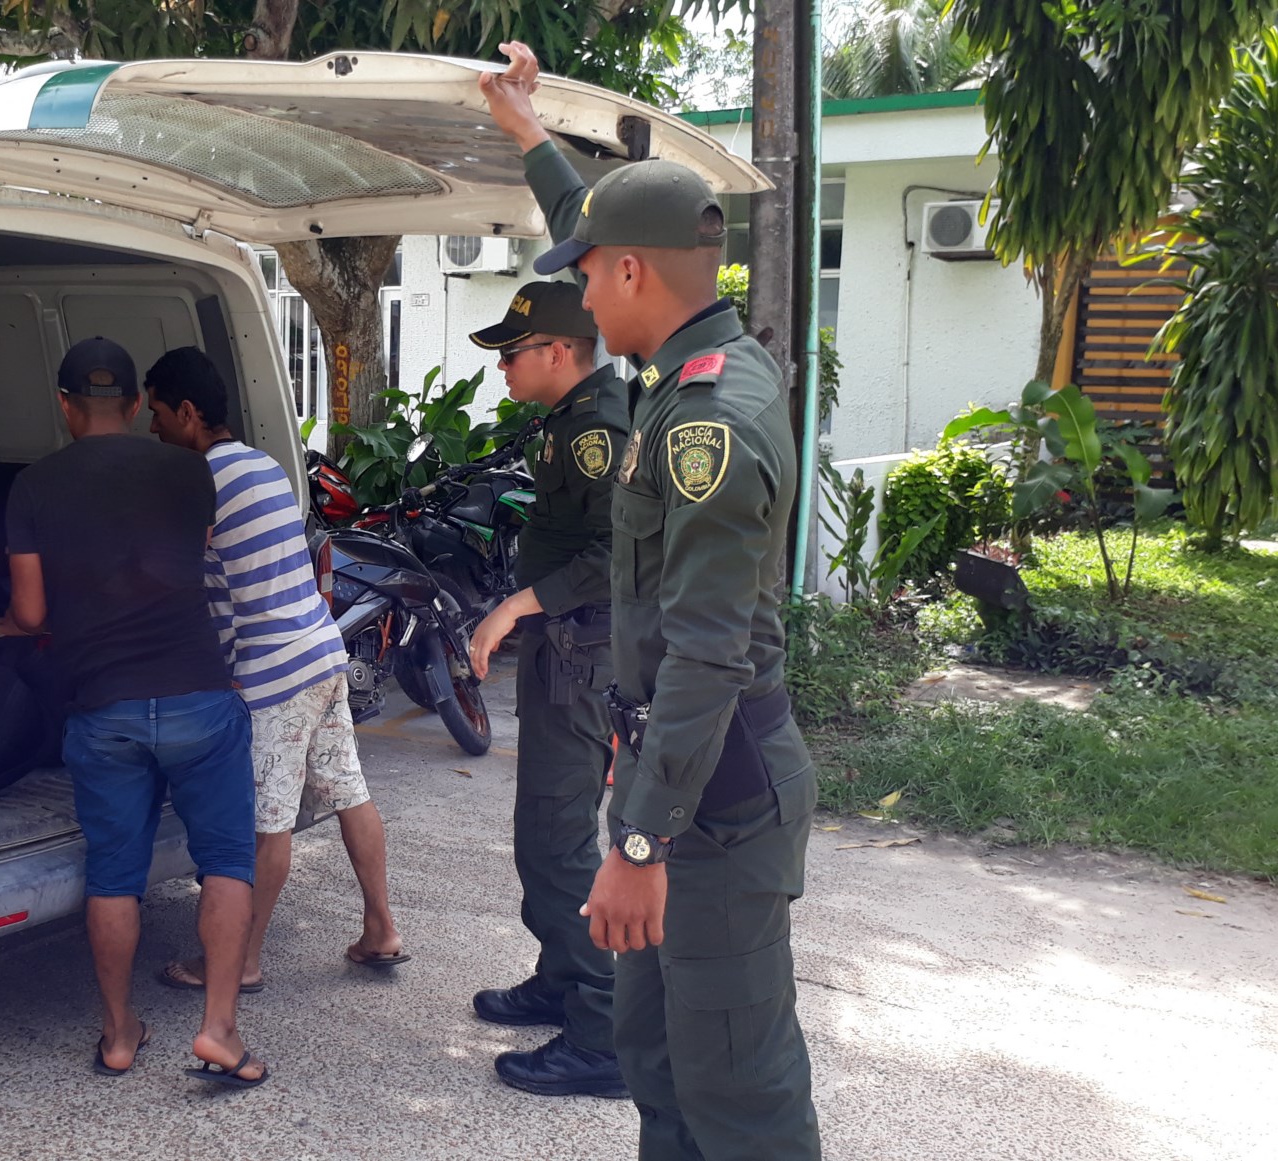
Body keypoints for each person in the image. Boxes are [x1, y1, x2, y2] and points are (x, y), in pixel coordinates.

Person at [482, 43, 824, 1160]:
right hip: (681, 788)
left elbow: (707, 656)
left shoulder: (706, 426)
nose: (576, 294)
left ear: (630, 277)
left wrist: (638, 841)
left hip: (713, 806)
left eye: (586, 276)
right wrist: (528, 132)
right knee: (662, 1061)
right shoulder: (682, 364)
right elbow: (603, 217)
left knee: (737, 1090)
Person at [0, 336, 268, 1088]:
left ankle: (120, 1034)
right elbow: (189, 556)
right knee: (225, 861)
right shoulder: (190, 470)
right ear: (132, 402)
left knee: (115, 875)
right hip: (199, 695)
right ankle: (218, 1031)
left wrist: (2, 628)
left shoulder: (34, 485)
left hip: (104, 707)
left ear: (64, 405)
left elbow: (30, 609)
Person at [142, 346, 407, 996]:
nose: (152, 431)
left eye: (156, 416)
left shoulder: (201, 484)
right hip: (320, 652)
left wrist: (222, 677)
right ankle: (381, 928)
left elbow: (218, 598)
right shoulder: (265, 464)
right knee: (349, 789)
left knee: (267, 821)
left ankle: (244, 958)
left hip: (274, 677)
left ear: (186, 412)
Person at [461, 282, 628, 1098]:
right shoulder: (572, 418)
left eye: (512, 352)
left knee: (560, 838)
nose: (501, 368)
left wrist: (515, 606)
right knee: (540, 829)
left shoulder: (601, 427)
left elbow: (622, 556)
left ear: (558, 352)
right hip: (563, 648)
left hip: (581, 652)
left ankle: (604, 1032)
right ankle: (564, 978)